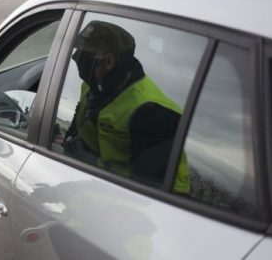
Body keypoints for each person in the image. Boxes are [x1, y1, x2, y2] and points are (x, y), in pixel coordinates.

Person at [62, 21, 189, 193]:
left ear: (108, 61)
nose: (76, 59)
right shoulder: (92, 85)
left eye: (83, 56)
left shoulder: (150, 112)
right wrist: (69, 143)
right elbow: (81, 122)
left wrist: (88, 160)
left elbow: (146, 189)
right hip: (99, 186)